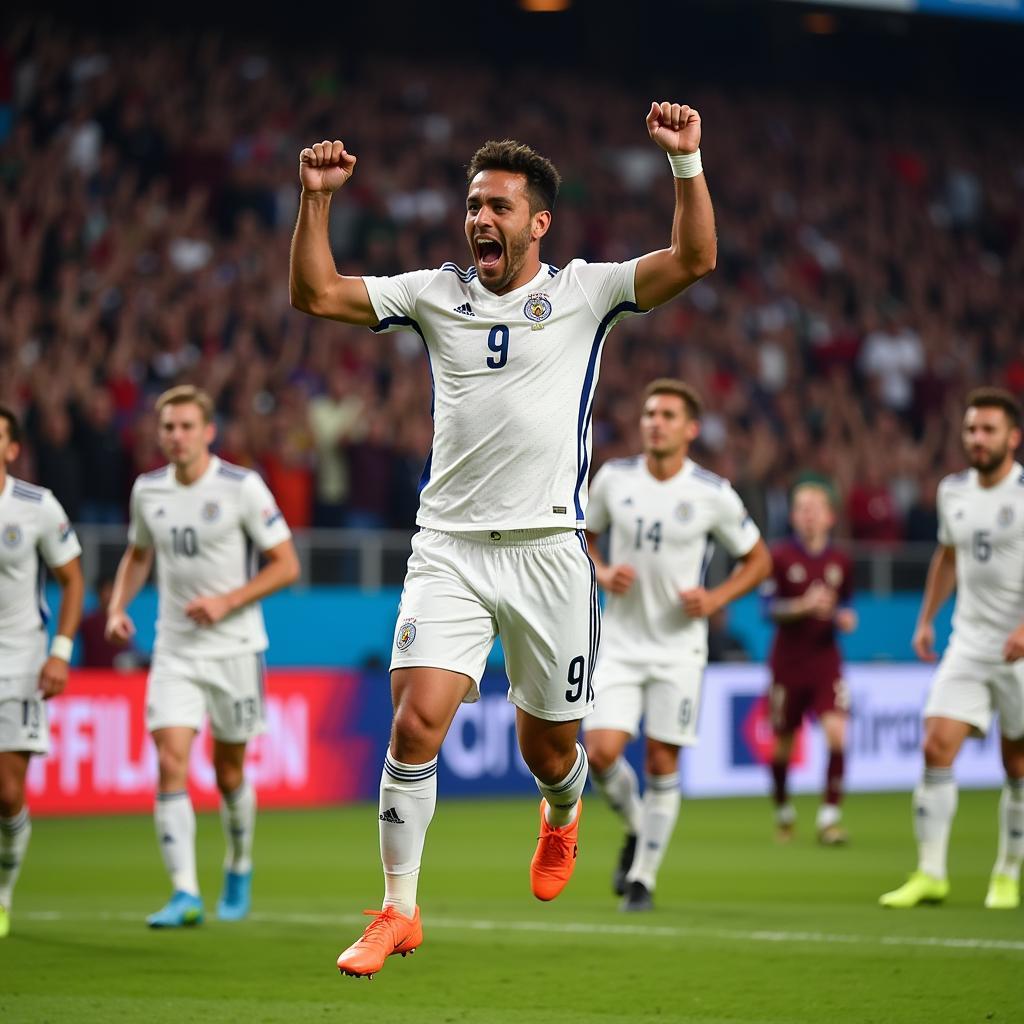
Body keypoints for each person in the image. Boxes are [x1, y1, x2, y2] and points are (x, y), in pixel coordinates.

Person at [290, 101, 717, 976]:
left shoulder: (585, 291)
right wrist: (317, 200)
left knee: (549, 750)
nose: (480, 219)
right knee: (414, 723)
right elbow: (315, 293)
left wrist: (686, 162)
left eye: (498, 207)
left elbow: (696, 260)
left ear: (538, 223)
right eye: (473, 205)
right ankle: (397, 910)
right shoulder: (433, 293)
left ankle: (561, 814)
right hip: (447, 547)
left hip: (551, 553)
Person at [105, 386, 300, 928]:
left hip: (235, 648)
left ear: (208, 432)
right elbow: (139, 554)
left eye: (187, 426)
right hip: (174, 648)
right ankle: (184, 892)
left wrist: (227, 601)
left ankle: (238, 864)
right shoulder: (148, 491)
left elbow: (286, 564)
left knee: (228, 771)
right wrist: (119, 605)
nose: (177, 436)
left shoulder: (241, 488)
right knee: (170, 758)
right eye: (168, 427)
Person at [583, 379, 770, 911]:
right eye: (648, 414)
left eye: (666, 415)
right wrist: (599, 570)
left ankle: (642, 878)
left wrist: (716, 599)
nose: (654, 422)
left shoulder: (710, 492)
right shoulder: (614, 480)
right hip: (617, 641)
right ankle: (639, 828)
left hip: (679, 649)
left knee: (663, 758)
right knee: (600, 754)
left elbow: (759, 560)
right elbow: (584, 536)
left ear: (690, 429)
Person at [881, 387, 1024, 911]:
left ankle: (1007, 872)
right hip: (969, 641)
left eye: (988, 430)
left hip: (1021, 651)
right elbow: (947, 558)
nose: (978, 439)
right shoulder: (953, 491)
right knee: (935, 746)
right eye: (971, 430)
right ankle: (931, 873)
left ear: (1013, 437)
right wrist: (925, 620)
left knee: (1017, 765)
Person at [0, 404, 84, 938]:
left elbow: (72, 580)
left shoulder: (35, 506)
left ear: (11, 449)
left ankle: (3, 894)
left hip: (19, 660)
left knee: (8, 793)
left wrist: (60, 650)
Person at [762, 483, 857, 845]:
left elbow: (846, 604)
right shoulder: (780, 556)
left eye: (816, 507)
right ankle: (784, 812)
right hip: (787, 662)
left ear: (830, 516)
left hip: (825, 660)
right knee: (783, 743)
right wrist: (803, 605)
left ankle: (829, 819)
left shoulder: (841, 561)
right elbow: (767, 609)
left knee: (837, 733)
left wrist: (845, 617)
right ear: (793, 516)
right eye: (802, 507)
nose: (809, 513)